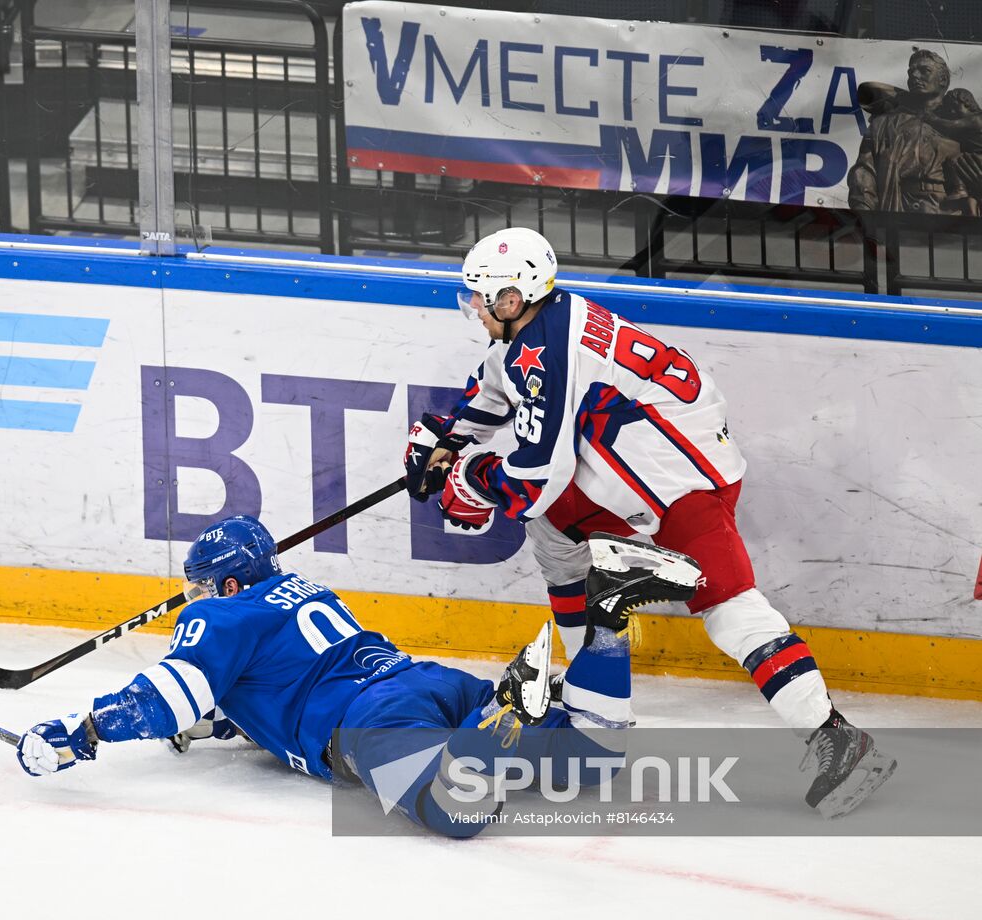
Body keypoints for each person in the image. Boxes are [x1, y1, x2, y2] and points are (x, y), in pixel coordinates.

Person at [400, 227, 897, 818]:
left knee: (728, 608)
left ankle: (834, 735)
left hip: (681, 481)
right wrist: (447, 439)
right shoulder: (543, 323)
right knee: (555, 534)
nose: (475, 308)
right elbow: (497, 386)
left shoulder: (545, 348)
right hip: (648, 461)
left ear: (513, 299)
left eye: (483, 298)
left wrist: (470, 477)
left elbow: (535, 477)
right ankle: (590, 695)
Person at [15, 516, 701, 837]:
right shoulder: (304, 595)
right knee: (591, 755)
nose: (192, 601)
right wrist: (212, 724)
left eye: (198, 588)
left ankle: (504, 722)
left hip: (370, 724)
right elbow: (247, 699)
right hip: (427, 683)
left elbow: (166, 696)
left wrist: (83, 731)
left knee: (458, 810)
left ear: (224, 584)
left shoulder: (221, 619)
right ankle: (607, 612)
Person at [848, 49, 961, 214]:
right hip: (896, 207)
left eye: (924, 71)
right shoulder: (882, 124)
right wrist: (864, 213)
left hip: (946, 214)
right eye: (911, 72)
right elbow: (864, 171)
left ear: (942, 80)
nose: (915, 75)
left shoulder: (962, 125)